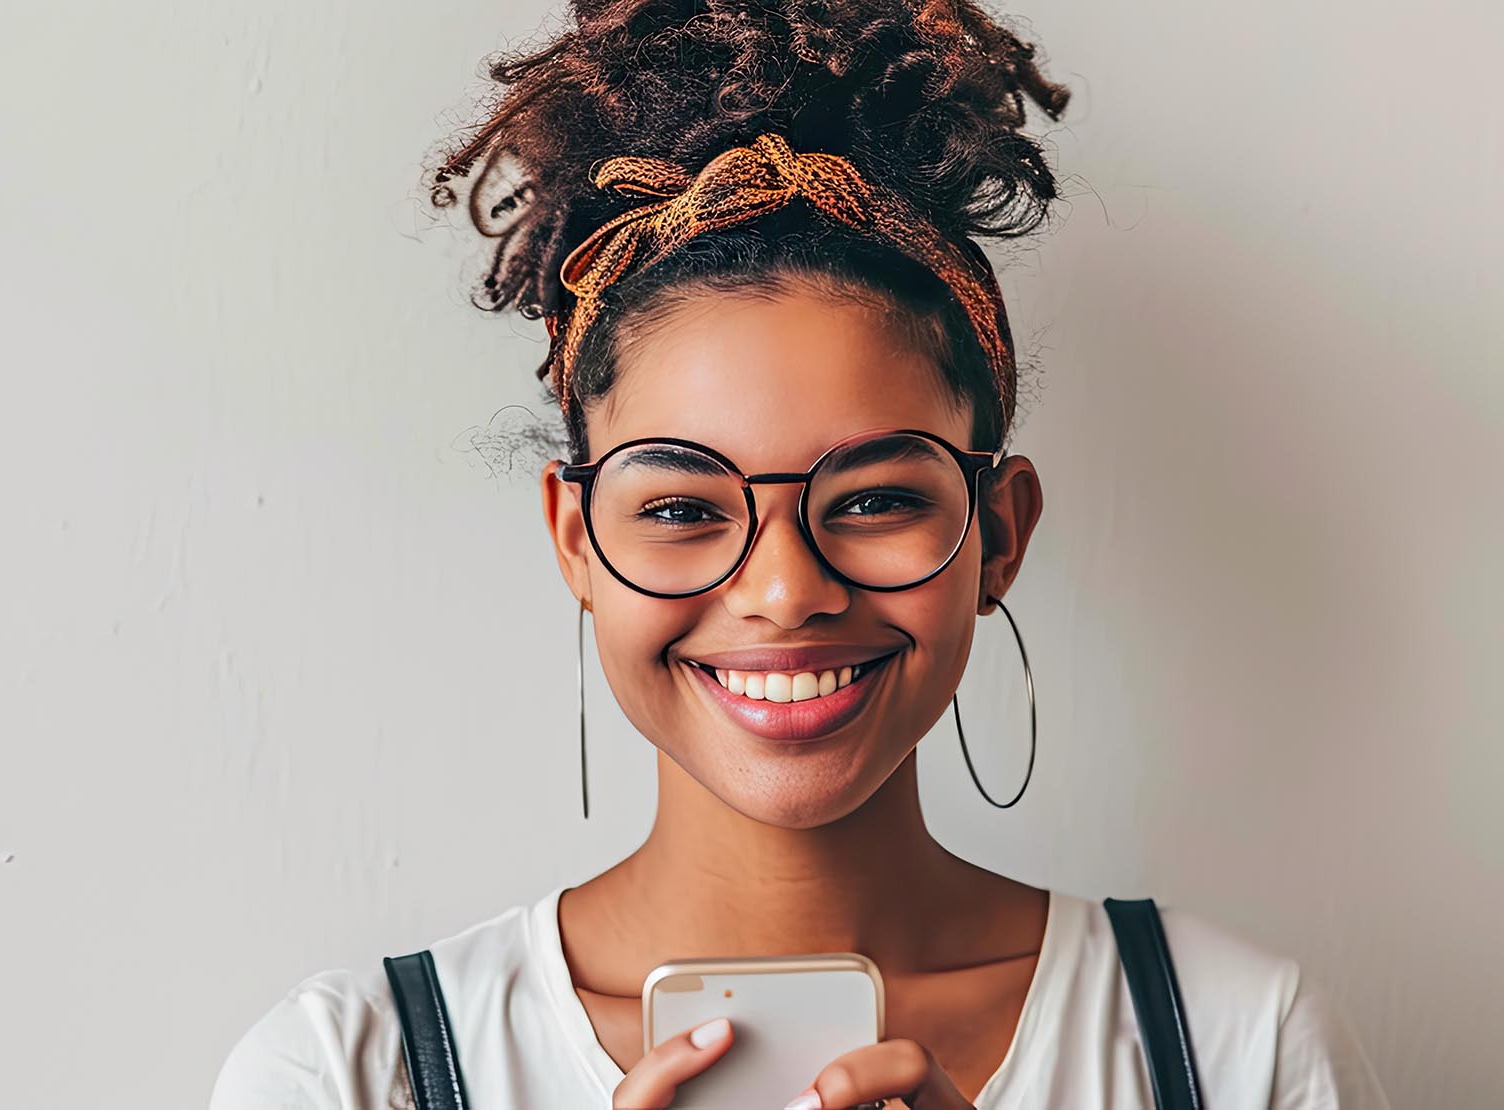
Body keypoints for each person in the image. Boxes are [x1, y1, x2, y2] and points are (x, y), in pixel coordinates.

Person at [211, 1, 1389, 1106]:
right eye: (681, 509)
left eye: (874, 500)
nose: (784, 591)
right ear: (577, 542)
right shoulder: (351, 1071)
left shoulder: (1236, 1044)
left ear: (1002, 534)